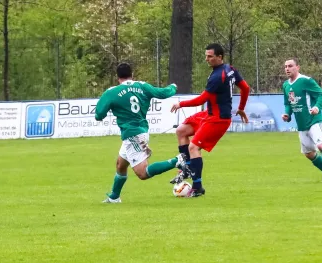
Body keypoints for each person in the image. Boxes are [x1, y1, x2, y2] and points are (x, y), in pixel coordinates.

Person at [95, 63, 190, 203]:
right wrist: (173, 87)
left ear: (117, 77)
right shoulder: (142, 86)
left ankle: (178, 160)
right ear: (132, 75)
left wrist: (109, 107)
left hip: (132, 134)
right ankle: (114, 197)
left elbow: (99, 115)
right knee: (120, 165)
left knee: (142, 173)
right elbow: (163, 93)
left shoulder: (112, 92)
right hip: (139, 132)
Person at [169, 43, 251, 197]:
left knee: (193, 148)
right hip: (209, 113)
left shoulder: (217, 76)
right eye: (206, 55)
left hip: (218, 119)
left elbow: (202, 99)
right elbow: (245, 88)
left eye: (210, 56)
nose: (207, 59)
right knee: (181, 131)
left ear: (220, 57)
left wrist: (181, 103)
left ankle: (197, 187)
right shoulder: (230, 69)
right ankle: (187, 168)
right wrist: (241, 108)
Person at [281, 58, 322, 182]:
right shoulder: (285, 85)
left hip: (313, 119)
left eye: (290, 66)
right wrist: (287, 114)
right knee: (309, 153)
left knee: (321, 145)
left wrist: (317, 107)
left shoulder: (306, 81)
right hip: (301, 124)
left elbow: (321, 94)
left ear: (297, 67)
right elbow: (288, 103)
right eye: (285, 66)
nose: (287, 69)